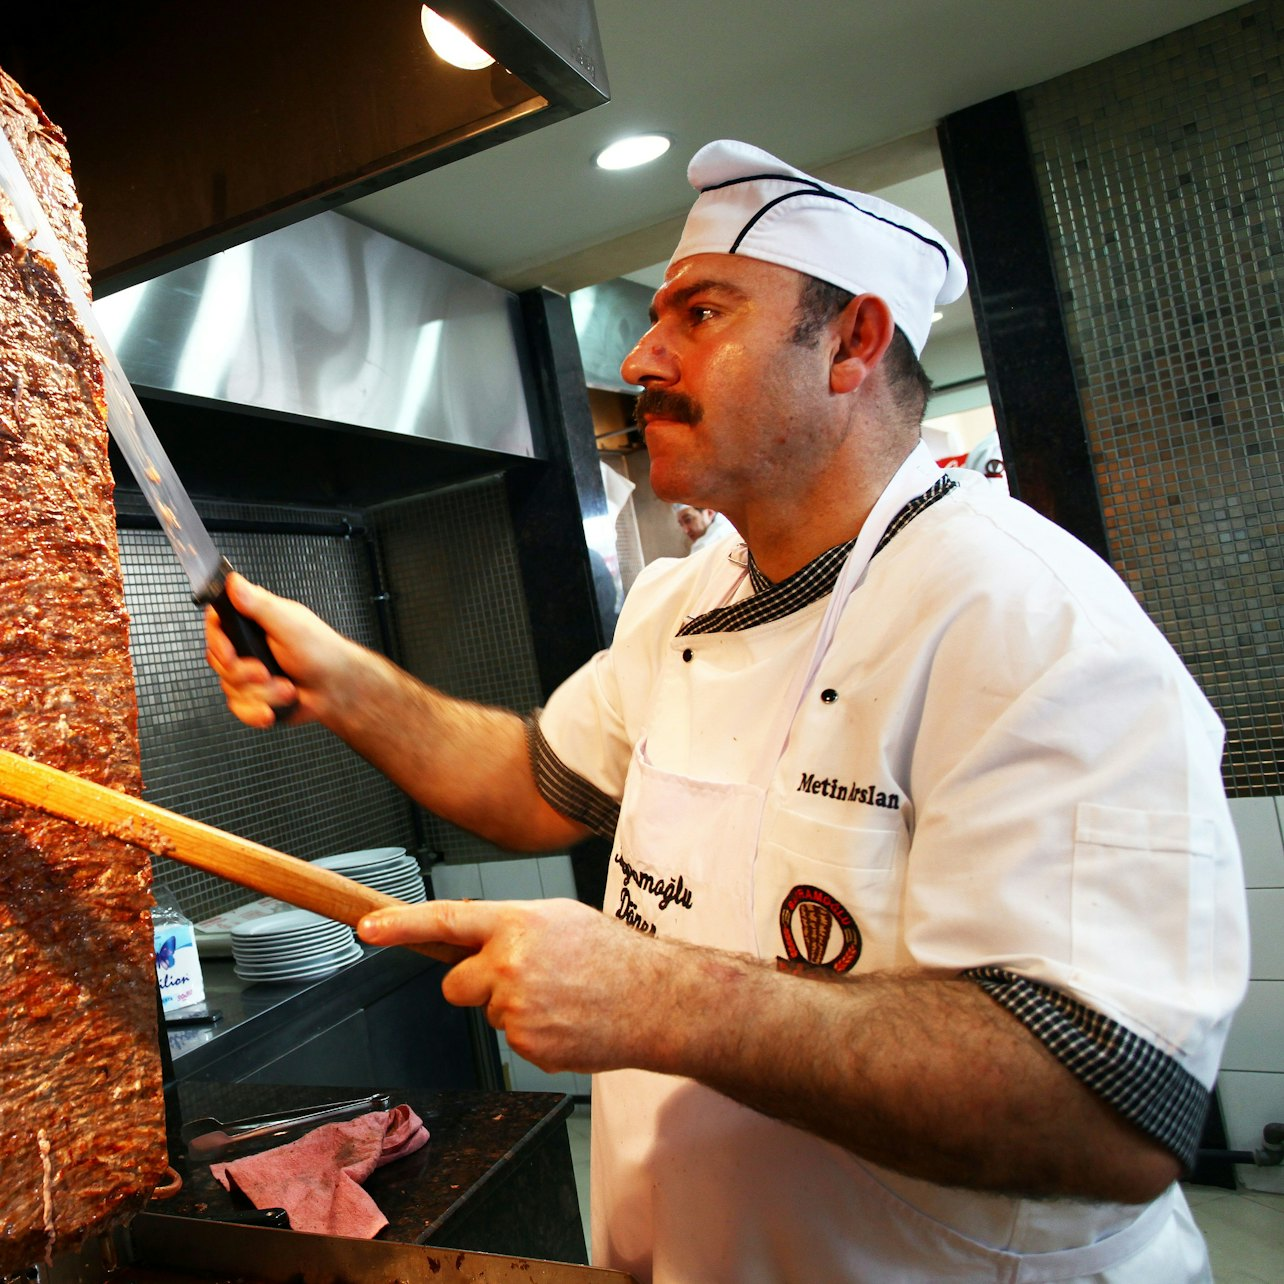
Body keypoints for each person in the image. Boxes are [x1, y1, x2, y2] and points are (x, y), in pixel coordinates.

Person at [206, 140, 1248, 1282]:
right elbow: (531, 783)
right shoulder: (685, 598)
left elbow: (1107, 1110)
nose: (641, 359)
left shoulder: (1027, 618)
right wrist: (342, 681)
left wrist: (659, 998)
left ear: (851, 343)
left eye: (701, 314)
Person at [672, 502, 736, 553]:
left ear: (709, 513)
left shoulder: (721, 537)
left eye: (688, 520)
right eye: (681, 524)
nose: (686, 530)